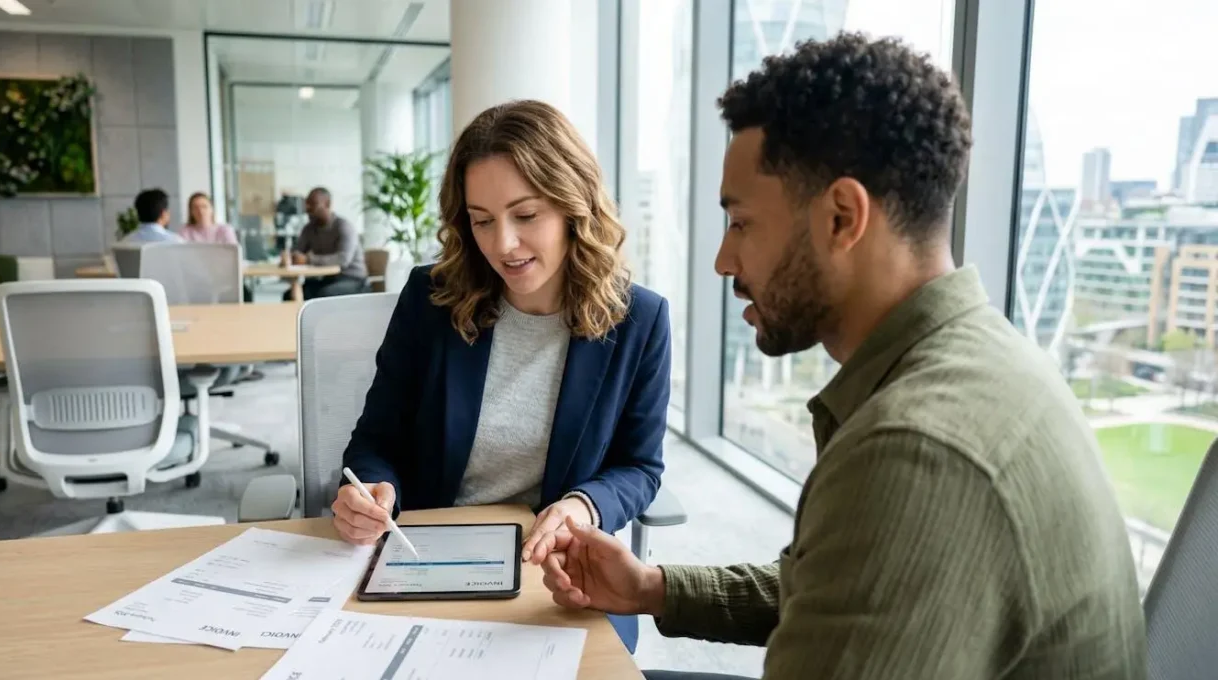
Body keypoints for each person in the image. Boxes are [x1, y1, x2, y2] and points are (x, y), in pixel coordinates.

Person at [534, 33, 1147, 680]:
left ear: (841, 218)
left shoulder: (917, 451)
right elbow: (841, 585)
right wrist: (650, 588)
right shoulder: (981, 361)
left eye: (741, 223)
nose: (723, 261)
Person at [333, 100, 670, 652]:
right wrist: (372, 490)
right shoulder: (431, 299)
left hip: (554, 573)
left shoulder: (639, 320)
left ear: (572, 204)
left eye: (526, 215)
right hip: (425, 561)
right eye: (482, 221)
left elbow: (640, 466)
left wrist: (584, 504)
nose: (502, 245)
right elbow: (375, 440)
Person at [281, 187, 368, 300]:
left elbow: (343, 260)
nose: (308, 209)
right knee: (288, 295)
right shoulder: (309, 229)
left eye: (313, 204)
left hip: (352, 279)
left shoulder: (344, 227)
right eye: (307, 204)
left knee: (323, 295)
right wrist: (290, 257)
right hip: (326, 279)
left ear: (328, 204)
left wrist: (308, 260)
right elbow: (298, 251)